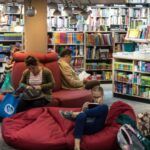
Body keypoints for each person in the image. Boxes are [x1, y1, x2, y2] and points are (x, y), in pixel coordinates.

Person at [60, 82, 108, 150]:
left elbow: (100, 115)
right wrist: (84, 108)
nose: (96, 99)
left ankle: (73, 115)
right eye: (94, 97)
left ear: (102, 95)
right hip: (84, 128)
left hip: (96, 126)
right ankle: (77, 146)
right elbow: (83, 117)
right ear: (92, 96)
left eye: (98, 97)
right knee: (82, 115)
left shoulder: (104, 107)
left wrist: (81, 113)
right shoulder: (89, 104)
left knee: (103, 107)